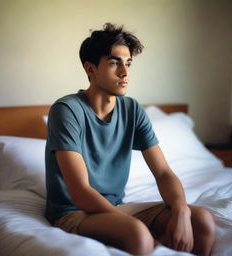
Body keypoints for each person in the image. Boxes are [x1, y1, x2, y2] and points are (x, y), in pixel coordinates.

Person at [45, 23, 215, 255]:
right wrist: (137, 226)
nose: (125, 72)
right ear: (90, 68)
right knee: (137, 234)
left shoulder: (132, 109)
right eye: (114, 63)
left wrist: (181, 210)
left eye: (128, 63)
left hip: (117, 208)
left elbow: (163, 172)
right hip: (74, 212)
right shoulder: (66, 110)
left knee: (202, 222)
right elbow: (81, 192)